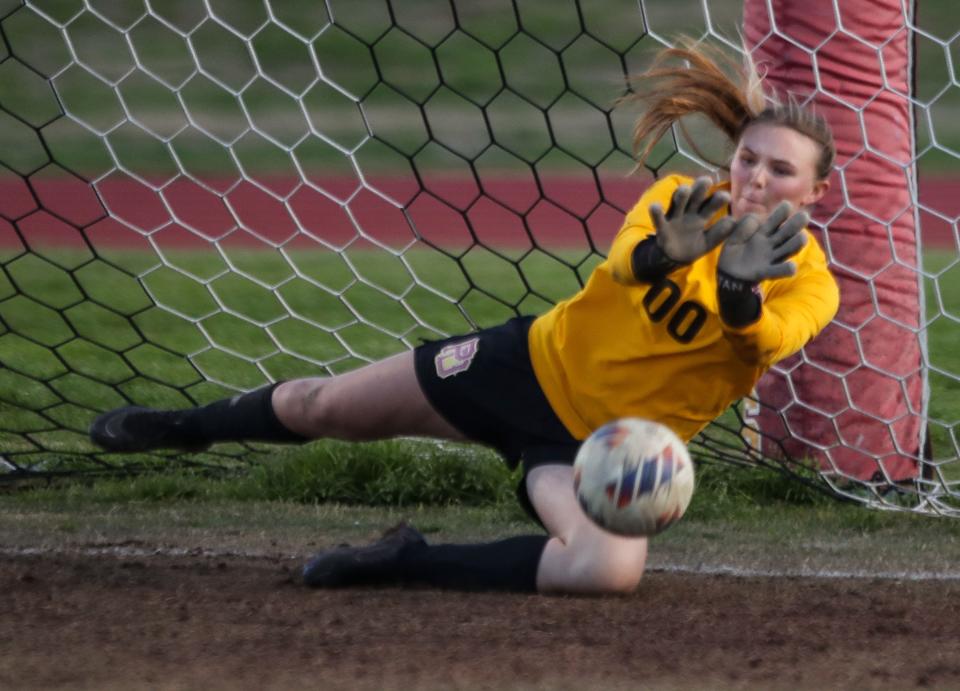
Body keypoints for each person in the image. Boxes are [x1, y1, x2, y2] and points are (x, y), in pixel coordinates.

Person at [90, 43, 839, 596]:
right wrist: (663, 256)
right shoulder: (685, 199)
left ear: (810, 194)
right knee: (324, 406)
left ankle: (405, 560)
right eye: (748, 158)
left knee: (605, 572)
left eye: (779, 171)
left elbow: (766, 340)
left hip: (600, 450)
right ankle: (180, 427)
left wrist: (741, 295)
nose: (753, 177)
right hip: (525, 366)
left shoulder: (813, 285)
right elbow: (621, 262)